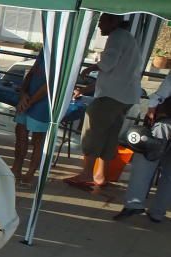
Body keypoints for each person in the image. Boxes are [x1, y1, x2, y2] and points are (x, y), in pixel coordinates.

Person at [64, 13, 142, 189]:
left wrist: (89, 68)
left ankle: (87, 173)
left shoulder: (116, 37)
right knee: (109, 135)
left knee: (92, 131)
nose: (99, 26)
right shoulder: (128, 38)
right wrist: (84, 90)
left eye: (101, 22)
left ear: (113, 22)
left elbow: (107, 64)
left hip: (111, 97)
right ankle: (100, 175)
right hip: (125, 96)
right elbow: (114, 74)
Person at [115, 74, 171, 223]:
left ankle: (134, 203)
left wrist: (152, 109)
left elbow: (162, 93)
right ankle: (158, 212)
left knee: (145, 162)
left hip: (167, 121)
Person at [11, 53, 49, 186]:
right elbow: (31, 73)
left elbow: (50, 85)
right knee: (20, 134)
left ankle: (30, 173)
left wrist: (30, 101)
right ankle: (17, 168)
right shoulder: (44, 50)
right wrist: (23, 94)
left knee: (38, 140)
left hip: (44, 104)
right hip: (28, 98)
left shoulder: (61, 52)